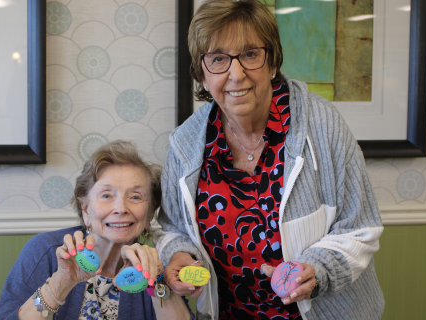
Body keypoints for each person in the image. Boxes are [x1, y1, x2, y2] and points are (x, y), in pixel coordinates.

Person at [153, 0, 385, 319]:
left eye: (250, 54)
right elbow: (171, 228)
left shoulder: (322, 126)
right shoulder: (185, 144)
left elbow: (360, 228)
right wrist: (177, 255)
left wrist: (319, 270)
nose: (236, 73)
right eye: (218, 58)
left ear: (272, 61)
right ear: (202, 74)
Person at [0, 140, 192, 320]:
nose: (121, 208)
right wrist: (59, 283)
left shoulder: (155, 263)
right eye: (106, 195)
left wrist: (157, 282)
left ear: (149, 215)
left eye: (136, 197)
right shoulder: (45, 251)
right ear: (86, 209)